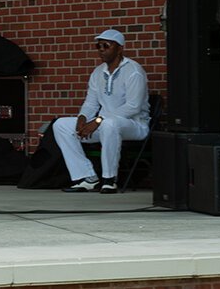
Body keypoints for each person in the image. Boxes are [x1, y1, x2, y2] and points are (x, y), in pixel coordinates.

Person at [53, 29, 149, 193]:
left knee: (109, 124)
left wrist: (98, 120)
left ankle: (109, 179)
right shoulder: (98, 72)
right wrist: (82, 118)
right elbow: (91, 103)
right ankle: (87, 177)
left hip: (134, 125)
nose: (101, 49)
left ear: (119, 48)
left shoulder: (134, 71)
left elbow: (133, 106)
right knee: (61, 125)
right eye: (98, 46)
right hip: (103, 125)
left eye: (106, 45)